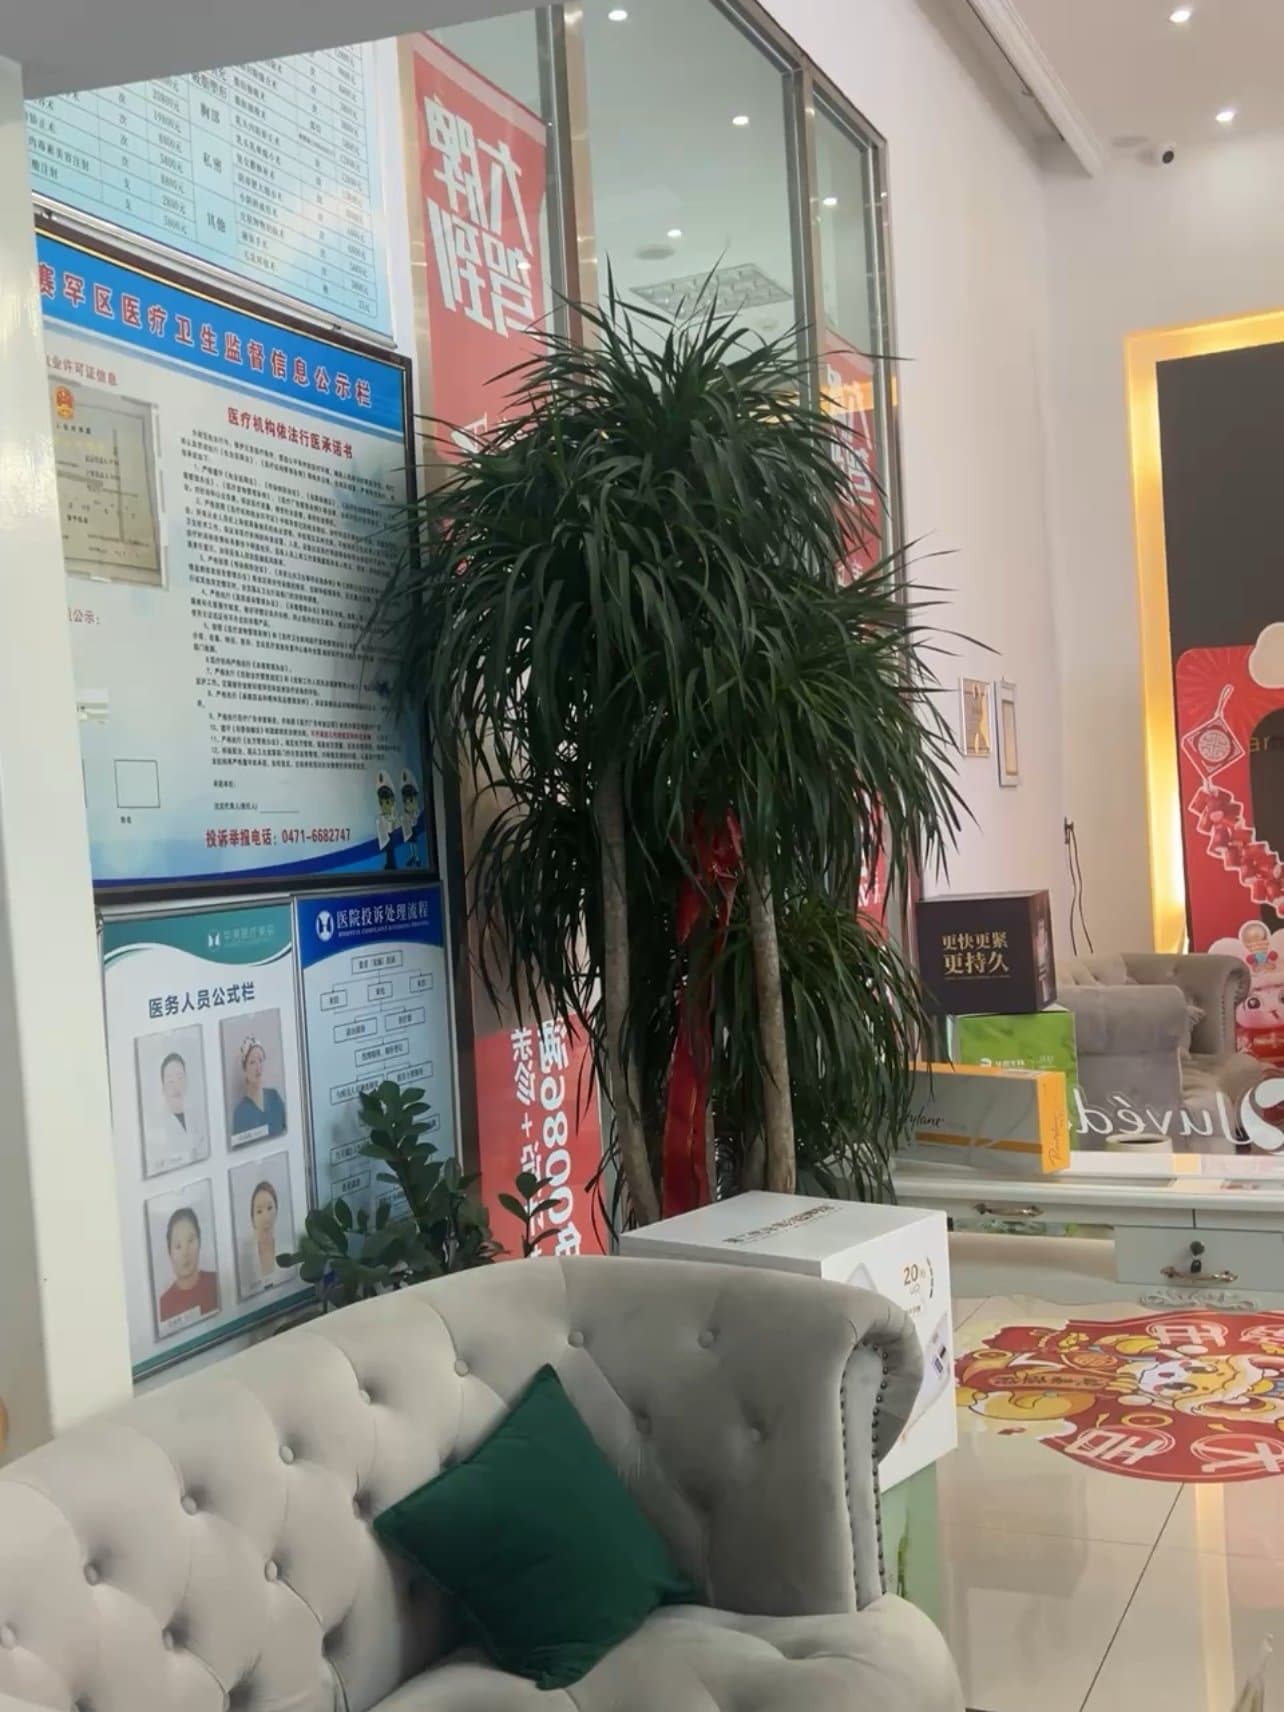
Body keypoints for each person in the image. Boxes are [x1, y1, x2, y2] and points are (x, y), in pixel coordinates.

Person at [144, 1049, 208, 1175]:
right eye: (170, 1081)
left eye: (180, 1078)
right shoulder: (156, 1127)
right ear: (163, 1088)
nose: (176, 1086)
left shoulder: (198, 1117)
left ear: (186, 1082)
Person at [157, 1206, 219, 1325]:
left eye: (190, 1241)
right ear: (170, 1253)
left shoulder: (217, 1282)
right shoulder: (163, 1304)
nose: (185, 1253)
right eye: (178, 1246)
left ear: (200, 1242)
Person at [230, 1037, 287, 1141]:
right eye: (252, 1062)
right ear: (244, 1069)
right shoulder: (240, 1113)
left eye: (260, 1060)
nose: (258, 1067)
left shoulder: (274, 1097)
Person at [239, 1178, 290, 1295]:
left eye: (270, 1208)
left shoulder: (288, 1251)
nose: (266, 1217)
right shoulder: (245, 1261)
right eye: (259, 1211)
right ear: (252, 1219)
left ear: (277, 1210)